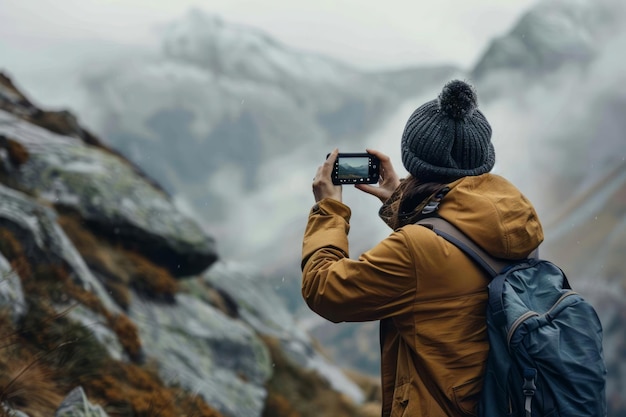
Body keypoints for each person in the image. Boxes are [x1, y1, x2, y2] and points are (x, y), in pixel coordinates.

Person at [301, 80, 544, 416]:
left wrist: (329, 210)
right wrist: (404, 203)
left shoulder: (416, 250)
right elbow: (451, 256)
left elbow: (324, 290)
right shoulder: (511, 220)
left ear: (414, 161)